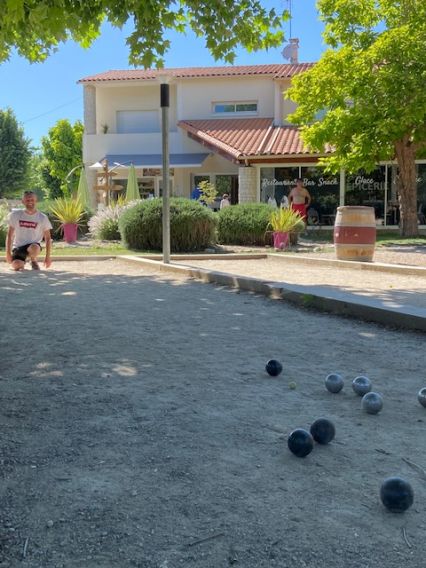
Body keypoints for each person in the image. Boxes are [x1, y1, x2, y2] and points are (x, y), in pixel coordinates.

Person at [6, 190, 52, 271]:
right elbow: (9, 235)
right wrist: (8, 254)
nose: (30, 202)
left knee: (34, 247)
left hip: (33, 246)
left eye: (32, 200)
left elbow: (48, 238)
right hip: (19, 247)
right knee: (17, 266)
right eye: (27, 200)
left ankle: (33, 260)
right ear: (23, 202)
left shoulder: (42, 217)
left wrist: (47, 257)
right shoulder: (15, 215)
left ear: (36, 201)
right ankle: (21, 262)